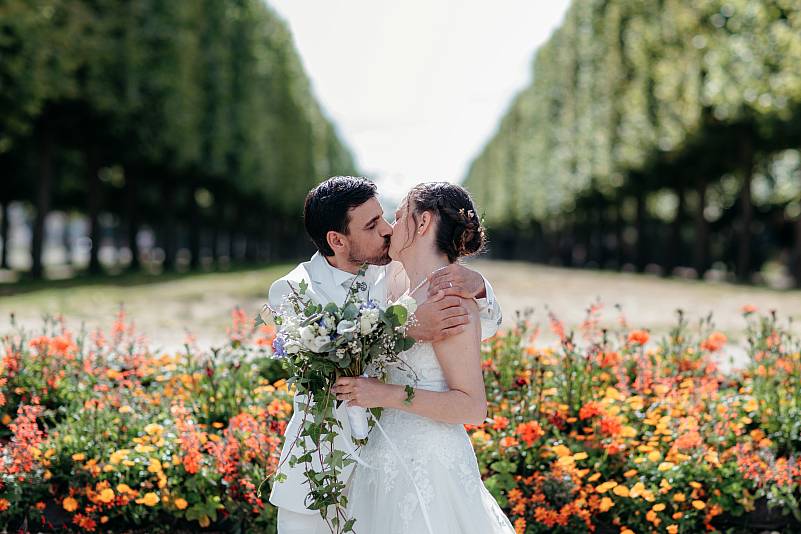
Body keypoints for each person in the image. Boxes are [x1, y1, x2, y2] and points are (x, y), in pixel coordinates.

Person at [268, 176, 502, 534]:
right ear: (337, 240)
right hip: (320, 467)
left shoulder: (393, 270)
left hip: (396, 463)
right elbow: (330, 364)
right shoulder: (293, 290)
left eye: (387, 217)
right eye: (373, 224)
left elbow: (462, 307)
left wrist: (481, 286)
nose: (389, 230)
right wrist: (405, 326)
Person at [334, 182, 515, 533]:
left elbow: (472, 407)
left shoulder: (452, 301)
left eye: (400, 216)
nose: (390, 227)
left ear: (422, 222)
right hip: (386, 455)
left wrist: (382, 395)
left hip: (430, 463)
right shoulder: (394, 283)